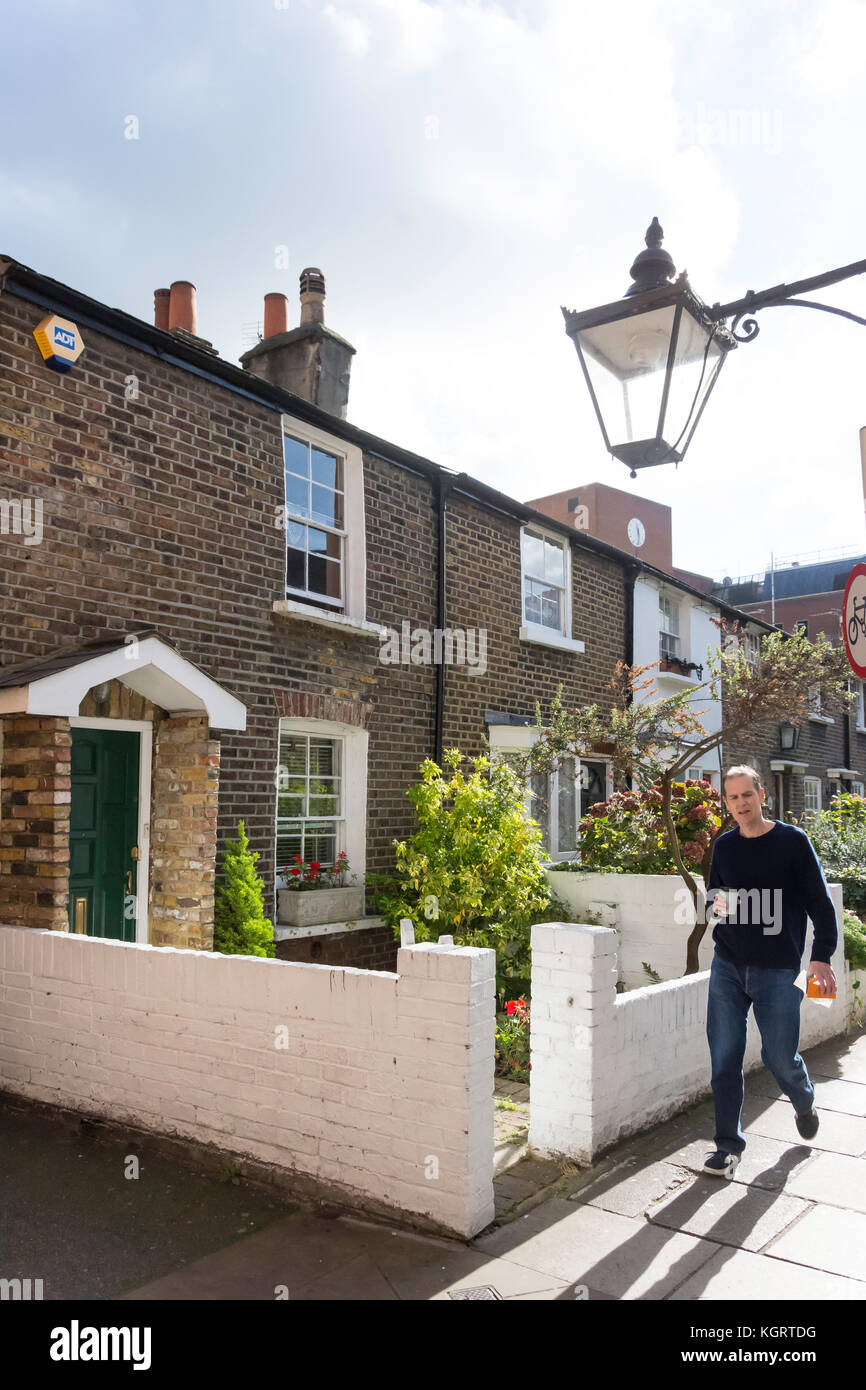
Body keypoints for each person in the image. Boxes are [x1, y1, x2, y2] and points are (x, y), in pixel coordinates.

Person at [702, 765, 838, 1179]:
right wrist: (721, 905)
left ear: (762, 795)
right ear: (726, 803)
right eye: (732, 797)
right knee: (724, 1059)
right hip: (728, 965)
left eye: (747, 794)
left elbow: (820, 905)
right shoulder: (725, 846)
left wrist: (821, 957)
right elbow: (713, 900)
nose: (741, 803)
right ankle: (727, 1147)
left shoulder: (793, 842)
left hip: (778, 969)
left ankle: (804, 1100)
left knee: (778, 1057)